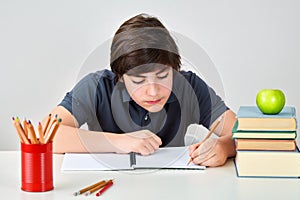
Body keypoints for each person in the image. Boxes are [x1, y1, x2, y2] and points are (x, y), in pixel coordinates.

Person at [45, 13, 236, 167]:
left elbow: (245, 133)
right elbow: (47, 135)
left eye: (163, 76)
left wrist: (224, 147)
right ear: (120, 77)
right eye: (138, 80)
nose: (153, 91)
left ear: (174, 69)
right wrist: (118, 142)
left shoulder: (189, 87)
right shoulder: (97, 86)